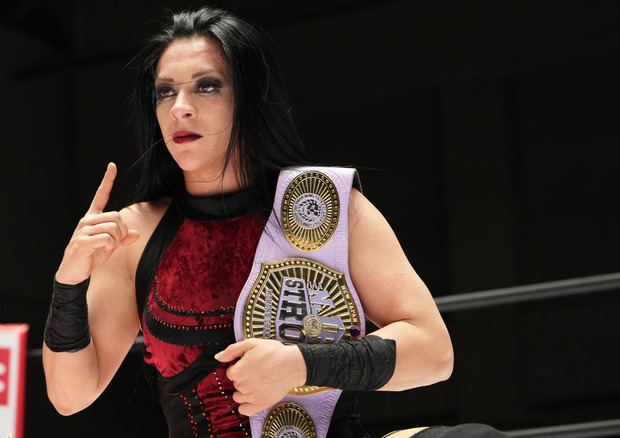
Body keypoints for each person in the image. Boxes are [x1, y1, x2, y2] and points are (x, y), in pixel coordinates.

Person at [42, 7, 508, 438]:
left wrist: (300, 364)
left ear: (248, 99)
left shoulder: (327, 204)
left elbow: (434, 353)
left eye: (206, 85)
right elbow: (69, 396)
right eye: (166, 91)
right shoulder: (132, 234)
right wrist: (69, 281)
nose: (179, 106)